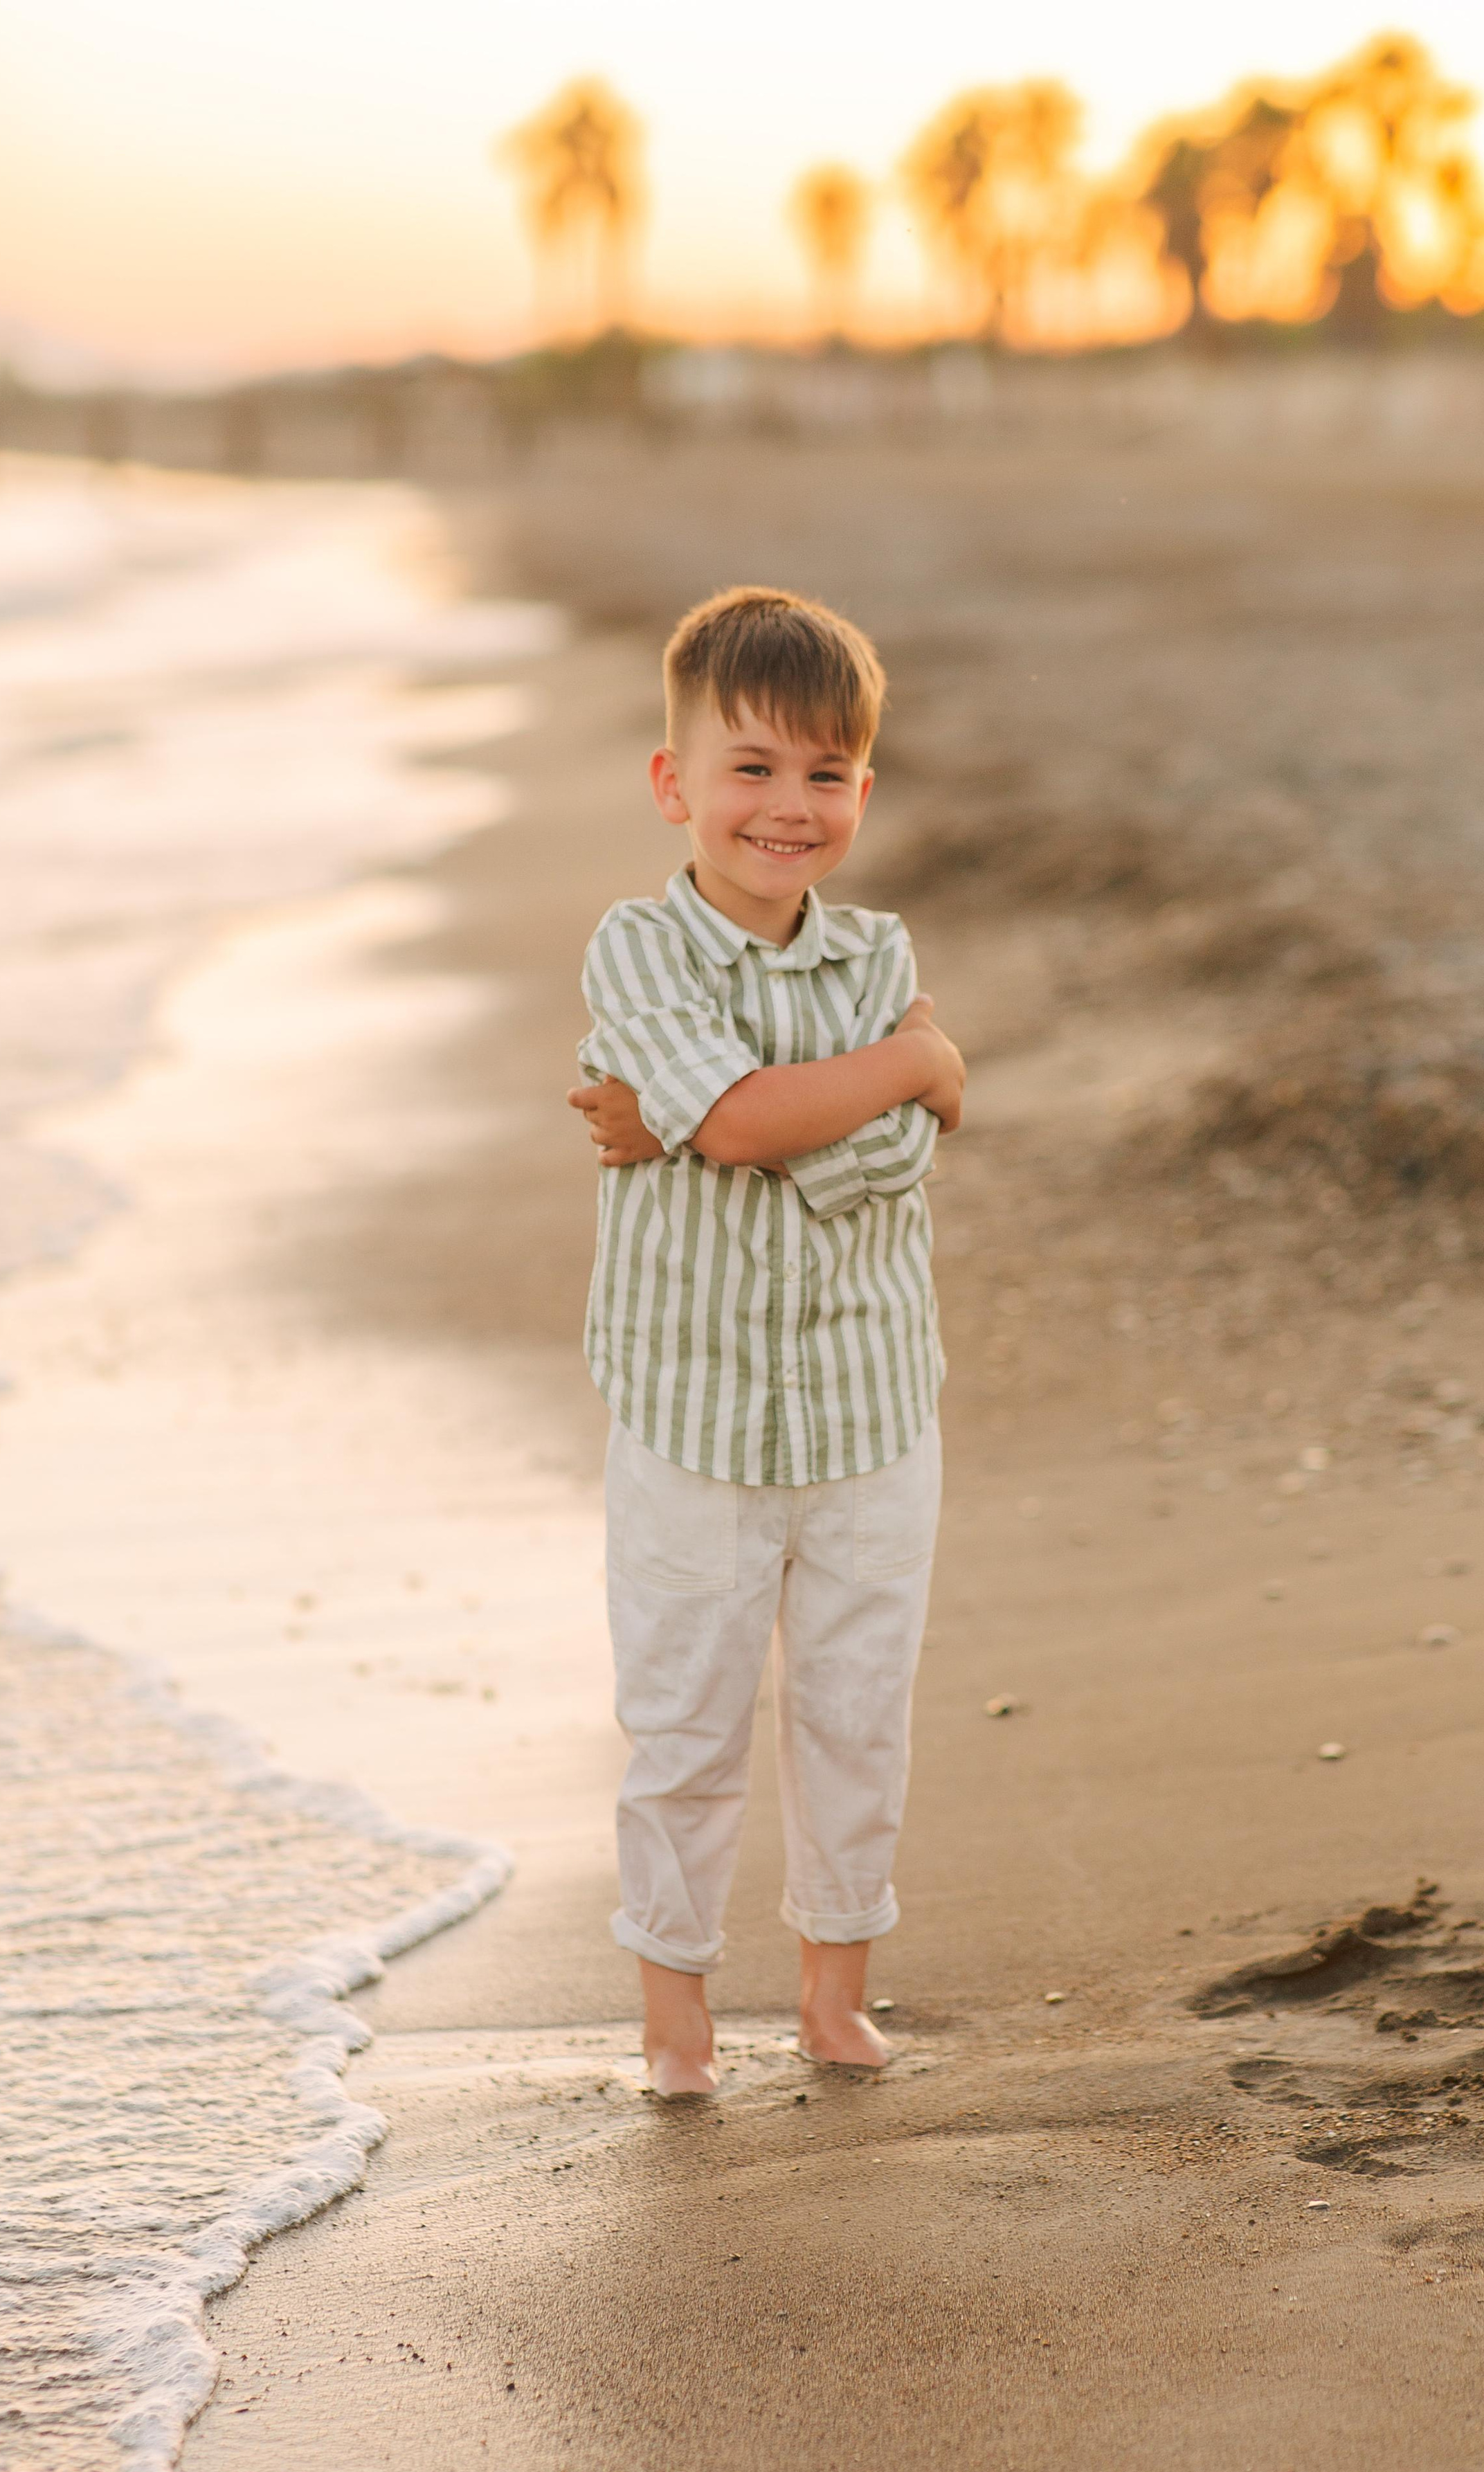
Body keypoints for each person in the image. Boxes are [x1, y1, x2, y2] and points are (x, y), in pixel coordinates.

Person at [567, 586, 964, 2095]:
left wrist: (703, 1123)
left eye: (822, 775)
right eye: (749, 768)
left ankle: (833, 1994)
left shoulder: (874, 957)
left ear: (859, 791)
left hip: (872, 1411)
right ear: (675, 784)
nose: (784, 808)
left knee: (856, 1716)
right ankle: (675, 2018)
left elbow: (878, 1163)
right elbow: (743, 1118)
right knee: (681, 1723)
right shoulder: (635, 951)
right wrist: (909, 1066)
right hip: (690, 1415)